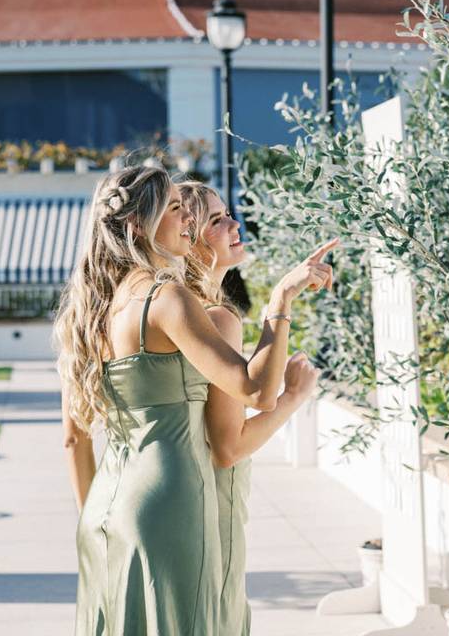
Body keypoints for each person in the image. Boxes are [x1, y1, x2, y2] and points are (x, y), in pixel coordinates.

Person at [55, 165, 338, 635]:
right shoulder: (167, 299)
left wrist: (99, 515)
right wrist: (279, 303)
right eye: (175, 209)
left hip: (106, 506)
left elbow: (73, 439)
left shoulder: (92, 309)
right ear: (136, 227)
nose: (186, 219)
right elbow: (255, 391)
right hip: (171, 501)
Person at [179, 181, 319, 635]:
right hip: (211, 499)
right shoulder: (215, 318)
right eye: (216, 220)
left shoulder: (183, 310)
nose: (234, 224)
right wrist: (293, 398)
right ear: (189, 237)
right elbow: (228, 448)